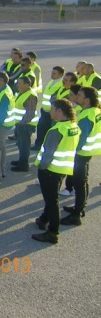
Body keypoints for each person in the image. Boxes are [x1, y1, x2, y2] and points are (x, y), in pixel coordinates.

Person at [32, 99, 80, 244]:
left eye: (52, 109)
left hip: (50, 170)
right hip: (62, 168)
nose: (50, 111)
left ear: (59, 111)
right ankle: (43, 219)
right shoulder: (73, 127)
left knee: (52, 201)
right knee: (51, 197)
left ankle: (52, 232)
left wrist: (42, 167)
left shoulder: (56, 130)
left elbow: (48, 153)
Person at [61, 87, 101, 225]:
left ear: (87, 100)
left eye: (79, 95)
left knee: (79, 183)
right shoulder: (95, 111)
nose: (76, 97)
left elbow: (80, 139)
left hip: (81, 154)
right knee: (83, 181)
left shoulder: (86, 116)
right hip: (88, 152)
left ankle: (76, 214)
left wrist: (71, 151)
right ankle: (80, 207)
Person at [10, 76, 39, 172]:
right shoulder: (22, 93)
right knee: (20, 144)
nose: (17, 85)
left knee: (24, 145)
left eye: (20, 83)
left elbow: (30, 113)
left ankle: (23, 165)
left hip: (26, 125)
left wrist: (21, 124)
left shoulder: (30, 96)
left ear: (27, 85)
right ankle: (21, 161)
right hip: (20, 124)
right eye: (17, 82)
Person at [34, 66, 64, 150]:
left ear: (61, 75)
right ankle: (39, 145)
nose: (52, 74)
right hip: (45, 110)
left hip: (51, 112)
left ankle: (42, 146)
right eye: (52, 72)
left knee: (46, 129)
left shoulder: (61, 84)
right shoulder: (51, 82)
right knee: (41, 128)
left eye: (54, 73)